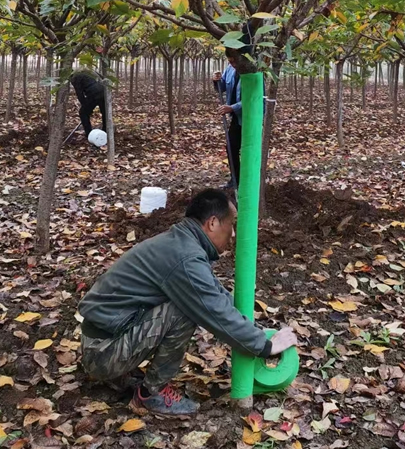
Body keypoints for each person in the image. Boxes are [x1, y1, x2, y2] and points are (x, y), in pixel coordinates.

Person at [78, 189, 297, 417]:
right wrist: (265, 346)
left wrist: (254, 329)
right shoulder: (185, 257)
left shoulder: (181, 243)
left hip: (102, 340)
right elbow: (214, 311)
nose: (233, 234)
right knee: (183, 310)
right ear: (212, 223)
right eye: (231, 224)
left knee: (188, 302)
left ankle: (123, 375)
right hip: (102, 353)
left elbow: (216, 295)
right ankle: (151, 393)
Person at [213, 50, 242, 187]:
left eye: (234, 61)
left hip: (249, 117)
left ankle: (248, 180)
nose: (232, 64)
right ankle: (235, 179)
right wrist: (216, 81)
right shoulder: (230, 69)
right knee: (231, 147)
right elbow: (222, 86)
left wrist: (232, 107)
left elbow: (255, 99)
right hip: (237, 118)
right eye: (230, 61)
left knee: (248, 149)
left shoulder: (251, 72)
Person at [70, 70, 107, 137]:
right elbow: (103, 78)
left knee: (83, 113)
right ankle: (106, 131)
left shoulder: (75, 78)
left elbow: (80, 94)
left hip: (93, 93)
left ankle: (89, 133)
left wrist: (85, 107)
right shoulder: (89, 70)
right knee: (105, 112)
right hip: (104, 91)